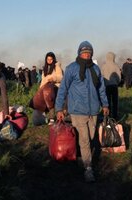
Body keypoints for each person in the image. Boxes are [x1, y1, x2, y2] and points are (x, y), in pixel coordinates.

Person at [55, 41, 109, 183]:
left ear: (92, 54)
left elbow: (101, 89)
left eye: (89, 53)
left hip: (94, 111)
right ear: (79, 53)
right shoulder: (71, 69)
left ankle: (81, 155)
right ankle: (88, 168)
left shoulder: (96, 69)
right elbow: (63, 90)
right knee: (84, 140)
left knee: (91, 137)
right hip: (77, 110)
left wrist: (105, 104)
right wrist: (59, 108)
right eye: (84, 52)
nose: (86, 55)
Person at [39, 52, 63, 125]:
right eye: (48, 59)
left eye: (51, 59)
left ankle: (53, 118)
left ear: (53, 59)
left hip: (56, 87)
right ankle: (48, 117)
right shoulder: (45, 68)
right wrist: (40, 89)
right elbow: (43, 80)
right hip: (46, 88)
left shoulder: (57, 66)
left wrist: (53, 78)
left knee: (50, 99)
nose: (49, 61)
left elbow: (61, 77)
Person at [101, 52, 121, 119]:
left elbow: (101, 77)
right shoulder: (116, 66)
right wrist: (117, 82)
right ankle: (115, 117)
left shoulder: (103, 66)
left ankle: (107, 117)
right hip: (114, 86)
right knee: (115, 102)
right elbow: (119, 77)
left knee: (107, 102)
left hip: (106, 86)